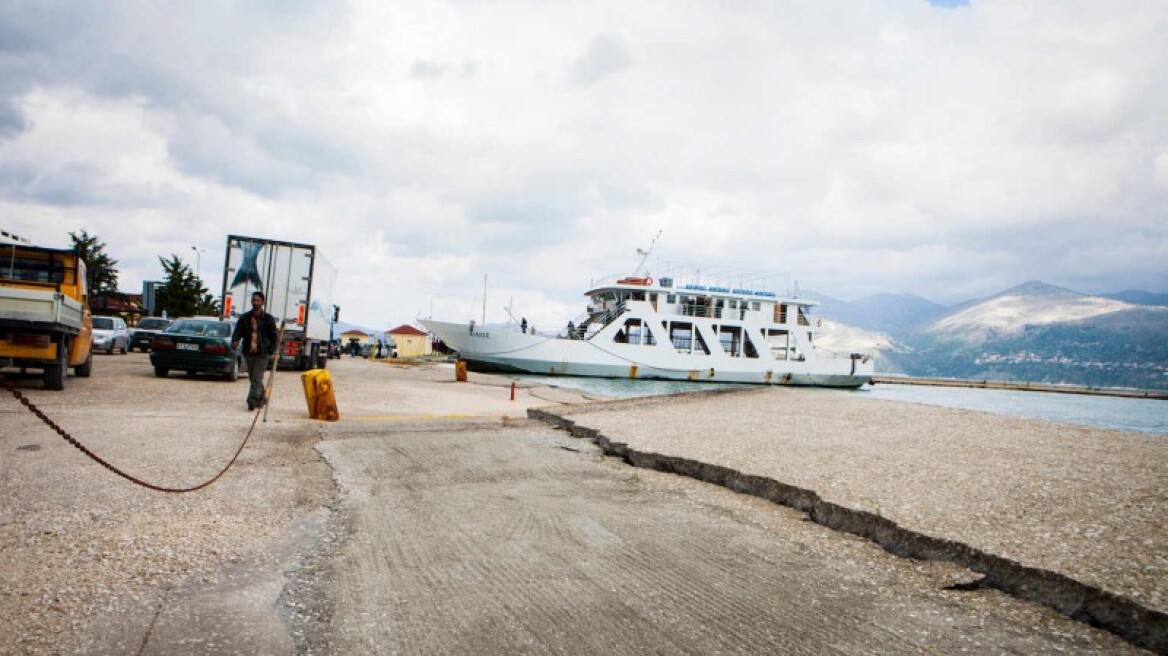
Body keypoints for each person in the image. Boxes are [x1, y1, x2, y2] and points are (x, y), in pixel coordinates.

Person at [232, 291, 280, 411]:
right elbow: (238, 331)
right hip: (248, 352)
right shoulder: (245, 318)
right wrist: (235, 340)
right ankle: (262, 398)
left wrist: (272, 350)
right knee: (254, 378)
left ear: (263, 302)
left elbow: (274, 336)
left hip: (262, 353)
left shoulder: (268, 319)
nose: (255, 303)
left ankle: (252, 401)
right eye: (254, 300)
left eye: (258, 300)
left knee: (257, 377)